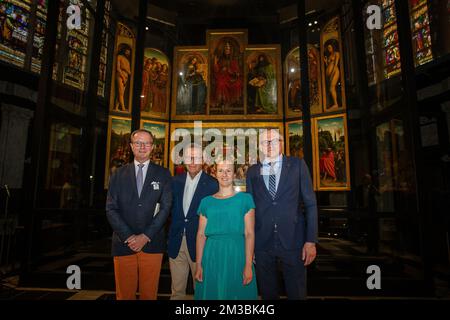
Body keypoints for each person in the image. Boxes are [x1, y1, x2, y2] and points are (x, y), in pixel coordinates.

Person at [246, 129, 318, 300]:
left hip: (294, 242)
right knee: (268, 295)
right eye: (265, 142)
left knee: (297, 294)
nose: (269, 145)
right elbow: (250, 210)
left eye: (273, 141)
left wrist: (311, 241)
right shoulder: (253, 171)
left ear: (282, 143)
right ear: (260, 147)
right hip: (262, 244)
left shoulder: (297, 165)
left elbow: (311, 204)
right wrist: (250, 247)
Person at [106, 129, 172, 300]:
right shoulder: (117, 174)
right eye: (138, 143)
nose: (142, 147)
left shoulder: (163, 174)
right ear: (131, 146)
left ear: (152, 147)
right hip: (123, 244)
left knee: (149, 295)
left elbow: (165, 208)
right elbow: (111, 209)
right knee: (124, 295)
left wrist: (145, 236)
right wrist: (129, 236)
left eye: (147, 143)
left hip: (152, 243)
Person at [194, 157, 258, 300]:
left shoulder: (245, 200)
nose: (224, 174)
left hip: (238, 254)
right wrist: (198, 264)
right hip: (211, 256)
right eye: (221, 171)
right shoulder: (206, 202)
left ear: (234, 174)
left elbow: (249, 234)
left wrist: (248, 264)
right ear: (215, 174)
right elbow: (200, 235)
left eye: (228, 170)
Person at [168, 144, 218, 300]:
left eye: (196, 157)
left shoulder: (212, 184)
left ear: (203, 159)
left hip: (201, 244)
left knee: (202, 292)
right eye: (189, 157)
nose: (192, 161)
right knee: (176, 292)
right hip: (176, 242)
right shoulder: (174, 181)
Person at [212, 40, 243, 113]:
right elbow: (216, 71)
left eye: (228, 48)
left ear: (231, 50)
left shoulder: (234, 60)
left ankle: (233, 102)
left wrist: (231, 71)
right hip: (222, 76)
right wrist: (216, 63)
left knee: (238, 83)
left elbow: (237, 71)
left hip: (232, 77)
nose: (227, 50)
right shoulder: (221, 59)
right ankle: (223, 102)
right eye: (226, 48)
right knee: (221, 83)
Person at [323, 40, 340, 110]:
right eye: (328, 48)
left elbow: (335, 65)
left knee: (331, 88)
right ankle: (334, 103)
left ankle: (336, 104)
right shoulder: (329, 56)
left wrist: (332, 74)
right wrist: (325, 62)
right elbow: (328, 66)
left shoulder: (336, 54)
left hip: (335, 72)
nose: (329, 49)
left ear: (333, 47)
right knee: (330, 89)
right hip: (330, 74)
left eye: (330, 47)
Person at [115, 46, 132, 111]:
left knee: (121, 93)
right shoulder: (119, 57)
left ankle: (116, 107)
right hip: (120, 74)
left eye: (129, 52)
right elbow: (118, 68)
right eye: (127, 51)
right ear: (124, 51)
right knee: (121, 92)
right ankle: (123, 108)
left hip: (126, 76)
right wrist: (123, 76)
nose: (128, 53)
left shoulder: (128, 61)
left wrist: (127, 72)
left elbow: (129, 71)